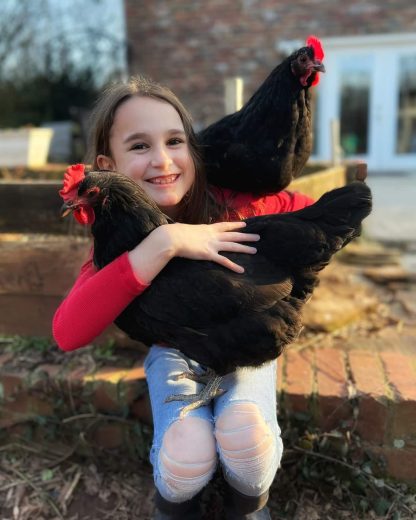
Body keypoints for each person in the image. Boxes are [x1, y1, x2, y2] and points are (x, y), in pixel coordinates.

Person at [53, 76, 314, 520]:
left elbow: (306, 209)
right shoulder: (119, 241)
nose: (162, 160)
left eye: (175, 141)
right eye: (138, 146)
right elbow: (67, 331)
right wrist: (165, 242)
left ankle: (246, 506)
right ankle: (177, 506)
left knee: (246, 435)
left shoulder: (232, 205)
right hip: (176, 351)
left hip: (245, 347)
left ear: (192, 148)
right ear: (107, 165)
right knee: (185, 451)